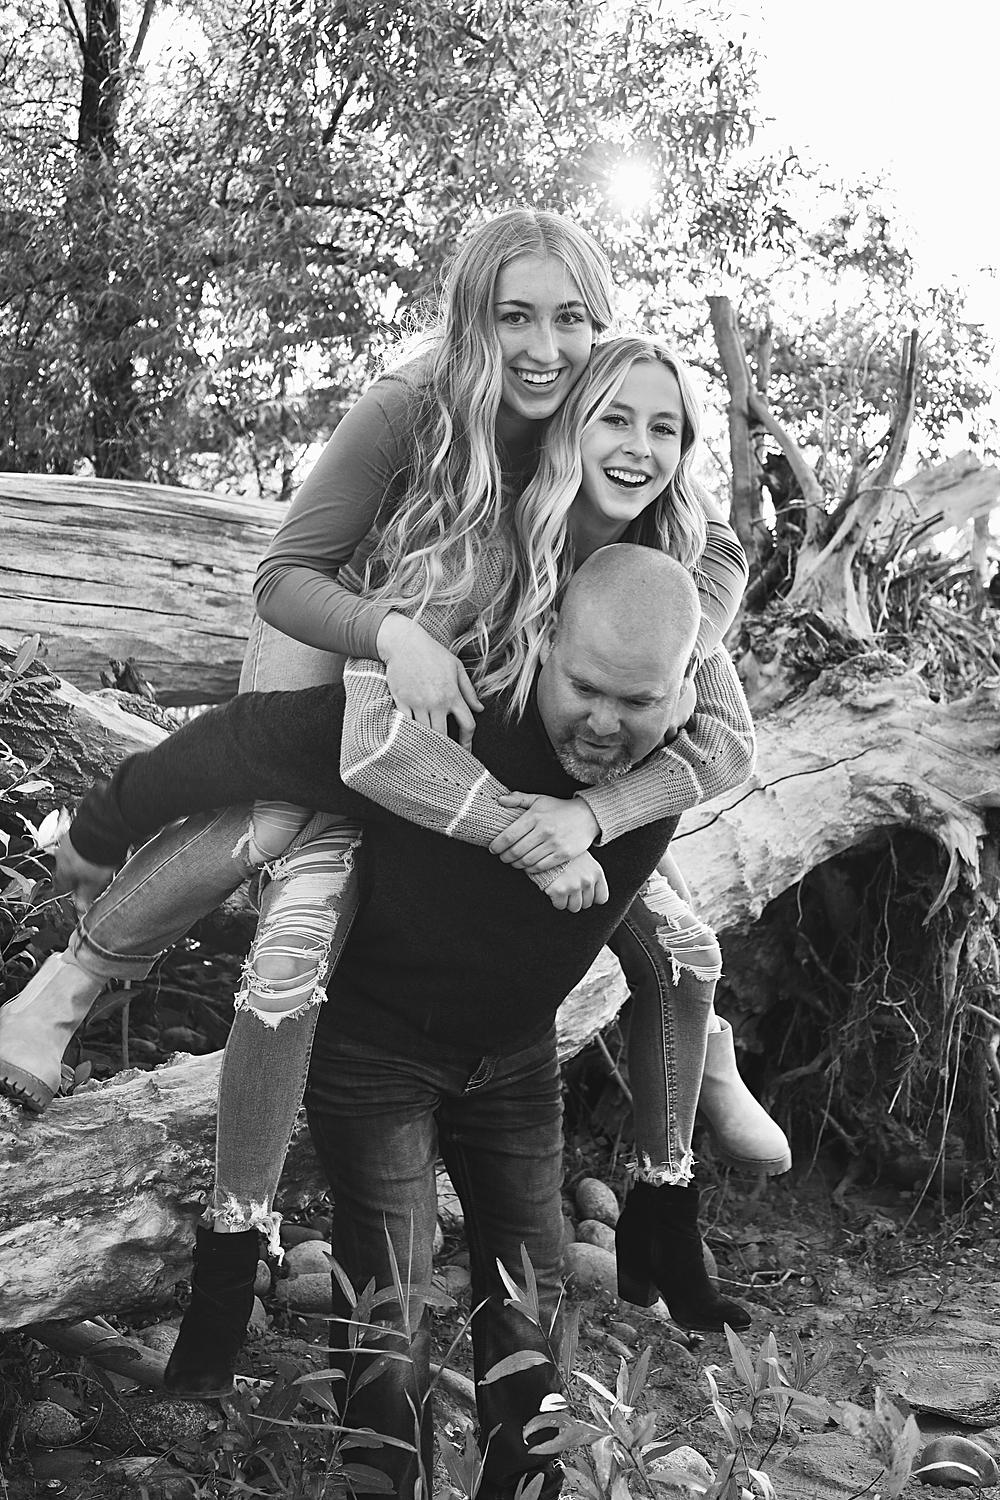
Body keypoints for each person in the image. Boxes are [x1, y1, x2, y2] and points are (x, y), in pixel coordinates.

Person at [64, 544, 753, 1500]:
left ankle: (527, 1487)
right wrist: (101, 826)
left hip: (515, 1061)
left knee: (532, 1305)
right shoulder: (442, 725)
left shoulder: (671, 766)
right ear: (545, 642)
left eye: (636, 702)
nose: (603, 724)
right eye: (585, 689)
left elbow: (727, 743)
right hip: (376, 1058)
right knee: (387, 1317)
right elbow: (246, 739)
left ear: (683, 694)